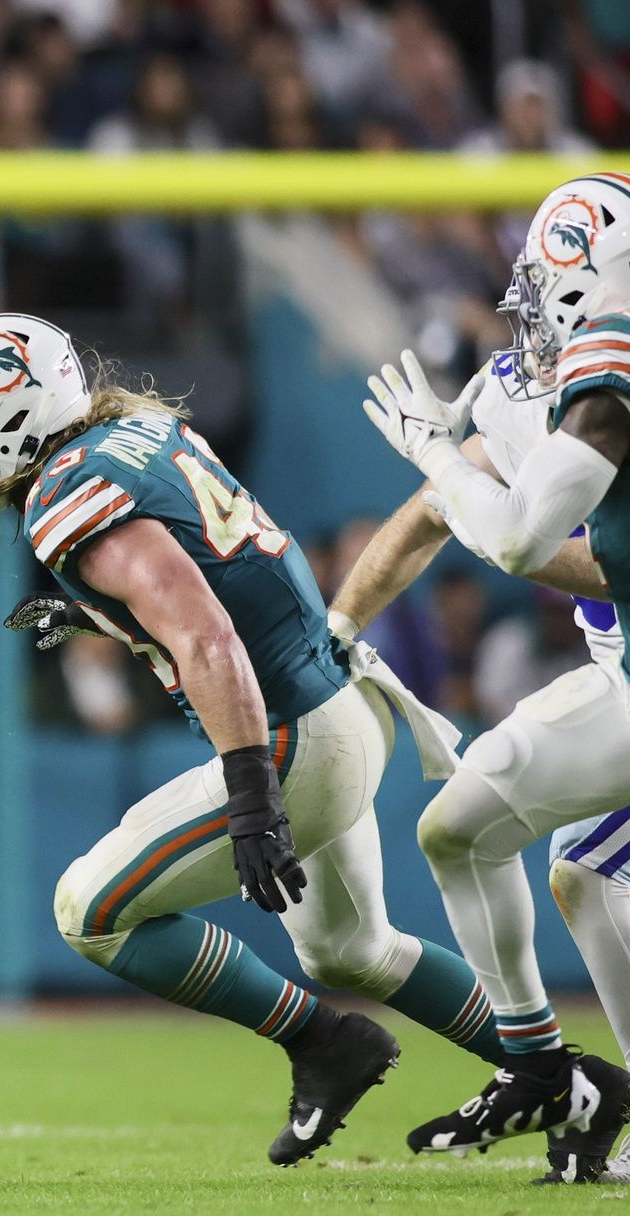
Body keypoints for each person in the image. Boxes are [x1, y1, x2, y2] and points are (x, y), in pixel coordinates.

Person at [0, 312, 499, 1167]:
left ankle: (323, 1041)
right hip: (343, 693)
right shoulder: (136, 432)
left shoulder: (65, 491)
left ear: (15, 414)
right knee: (353, 947)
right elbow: (219, 574)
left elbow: (211, 639)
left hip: (290, 735)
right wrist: (102, 613)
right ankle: (555, 1066)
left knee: (91, 912)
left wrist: (252, 796)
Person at [360, 172, 630, 1167]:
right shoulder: (583, 363)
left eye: (554, 291)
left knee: (551, 860)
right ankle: (540, 1064)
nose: (534, 321)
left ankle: (539, 1068)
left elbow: (520, 544)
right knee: (566, 867)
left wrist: (440, 454)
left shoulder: (613, 353)